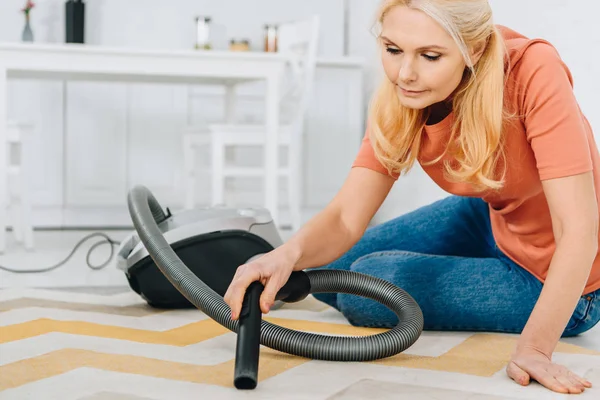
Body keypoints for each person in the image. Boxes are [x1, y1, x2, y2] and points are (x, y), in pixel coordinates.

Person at [224, 0, 599, 395]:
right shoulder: (402, 94)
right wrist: (284, 255)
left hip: (560, 273)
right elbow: (346, 217)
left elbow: (578, 230)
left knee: (370, 285)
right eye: (392, 50)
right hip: (491, 217)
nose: (405, 74)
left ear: (473, 49)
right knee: (332, 265)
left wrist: (535, 348)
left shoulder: (533, 70)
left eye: (430, 56)